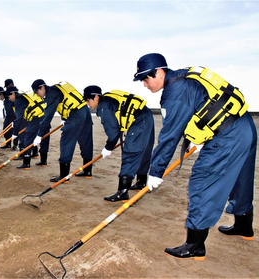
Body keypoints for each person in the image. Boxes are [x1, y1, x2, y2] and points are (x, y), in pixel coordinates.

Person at [133, 53, 257, 260]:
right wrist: (195, 138)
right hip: (245, 126)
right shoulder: (185, 78)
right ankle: (244, 227)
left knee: (202, 182)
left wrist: (155, 171)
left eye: (146, 78)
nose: (145, 85)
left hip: (228, 136)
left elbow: (169, 136)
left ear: (160, 72)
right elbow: (203, 107)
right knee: (240, 179)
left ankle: (194, 246)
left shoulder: (175, 92)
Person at [83, 85, 154, 202]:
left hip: (139, 120)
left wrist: (108, 147)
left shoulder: (103, 108)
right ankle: (141, 182)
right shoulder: (108, 101)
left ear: (96, 97)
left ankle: (123, 192)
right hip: (145, 114)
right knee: (143, 150)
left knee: (131, 152)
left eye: (88, 100)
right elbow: (120, 118)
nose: (87, 103)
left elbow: (113, 132)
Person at [31, 79, 93, 182]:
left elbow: (47, 117)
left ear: (42, 87)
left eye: (37, 92)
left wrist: (39, 135)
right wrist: (64, 119)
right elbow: (66, 103)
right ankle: (87, 170)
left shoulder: (51, 94)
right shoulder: (56, 90)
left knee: (66, 141)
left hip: (76, 114)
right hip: (84, 111)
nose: (37, 95)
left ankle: (64, 175)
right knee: (85, 141)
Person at [7, 86, 48, 169]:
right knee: (44, 138)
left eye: (9, 96)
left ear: (13, 93)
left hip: (34, 121)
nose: (9, 99)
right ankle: (43, 162)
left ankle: (26, 163)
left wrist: (15, 133)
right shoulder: (26, 96)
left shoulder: (19, 101)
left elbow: (19, 118)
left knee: (27, 140)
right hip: (44, 118)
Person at [1, 79, 18, 150]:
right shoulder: (6, 94)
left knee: (15, 131)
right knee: (6, 129)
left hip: (15, 116)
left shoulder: (16, 93)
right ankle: (8, 144)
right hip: (8, 115)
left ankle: (15, 145)